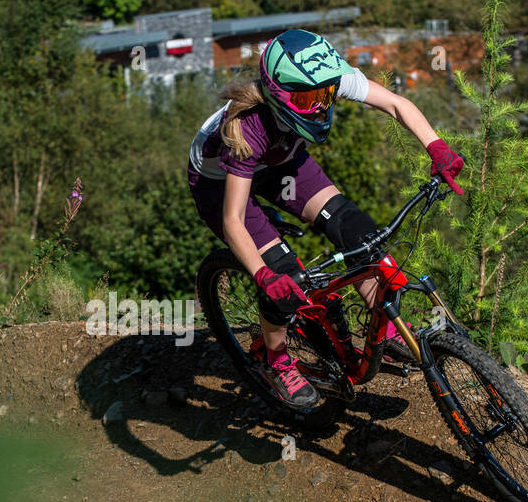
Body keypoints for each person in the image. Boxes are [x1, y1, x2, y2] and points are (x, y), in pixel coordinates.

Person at [187, 29, 464, 408]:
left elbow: (397, 104)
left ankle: (383, 322)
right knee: (280, 274)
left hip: (281, 159)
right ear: (278, 94)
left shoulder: (323, 78)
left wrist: (437, 147)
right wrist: (264, 276)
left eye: (326, 95)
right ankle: (277, 360)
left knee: (357, 231)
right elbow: (233, 219)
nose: (320, 105)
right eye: (309, 98)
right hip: (220, 181)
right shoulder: (248, 127)